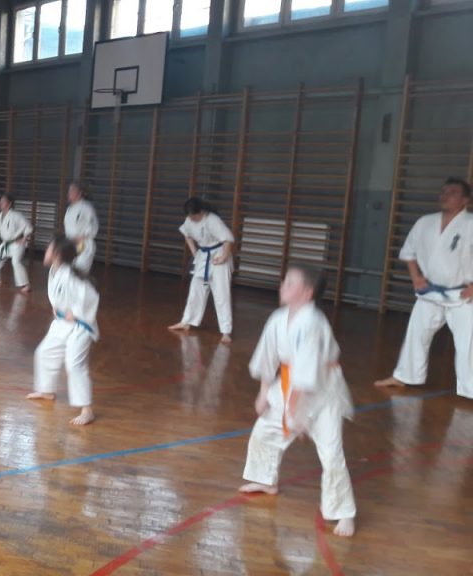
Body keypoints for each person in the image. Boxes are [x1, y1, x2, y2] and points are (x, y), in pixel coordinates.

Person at [239, 265, 356, 537]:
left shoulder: (313, 322)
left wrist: (296, 414)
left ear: (307, 292)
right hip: (290, 384)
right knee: (266, 429)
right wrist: (263, 393)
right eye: (284, 281)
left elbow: (306, 374)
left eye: (290, 283)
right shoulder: (278, 318)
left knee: (331, 451)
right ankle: (265, 480)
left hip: (323, 390)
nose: (283, 286)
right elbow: (268, 357)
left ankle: (344, 512)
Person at [375, 177, 473, 399]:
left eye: (452, 192)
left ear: (465, 200)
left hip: (463, 295)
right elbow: (409, 252)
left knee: (468, 342)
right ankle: (404, 376)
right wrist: (416, 277)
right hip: (430, 292)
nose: (445, 195)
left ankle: (471, 387)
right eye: (443, 191)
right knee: (416, 334)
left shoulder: (470, 224)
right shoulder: (425, 222)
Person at [26, 235, 99, 426]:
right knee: (44, 352)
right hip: (61, 323)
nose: (46, 251)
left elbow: (91, 295)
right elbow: (59, 295)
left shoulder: (71, 275)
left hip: (79, 326)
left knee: (74, 365)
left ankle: (87, 410)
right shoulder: (56, 271)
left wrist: (75, 313)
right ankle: (47, 391)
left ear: (57, 254)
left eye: (49, 248)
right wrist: (57, 307)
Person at [168, 197, 236, 344]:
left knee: (221, 293)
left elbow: (228, 239)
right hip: (203, 256)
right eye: (190, 216)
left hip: (218, 255)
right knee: (195, 290)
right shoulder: (189, 220)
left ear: (202, 211)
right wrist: (194, 252)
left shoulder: (212, 220)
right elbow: (187, 235)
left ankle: (226, 331)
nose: (192, 218)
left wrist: (224, 257)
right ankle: (187, 321)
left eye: (194, 215)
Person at [0, 193, 33, 292]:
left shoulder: (16, 215)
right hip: (6, 244)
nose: (0, 203)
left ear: (9, 204)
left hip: (17, 244)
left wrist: (25, 238)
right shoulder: (0, 216)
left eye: (3, 201)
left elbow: (28, 227)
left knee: (16, 262)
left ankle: (26, 285)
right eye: (0, 201)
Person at [63, 182, 98, 273]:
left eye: (72, 191)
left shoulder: (86, 208)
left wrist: (82, 237)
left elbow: (94, 226)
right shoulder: (70, 209)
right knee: (69, 272)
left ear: (79, 193)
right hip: (71, 245)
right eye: (69, 191)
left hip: (83, 244)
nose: (69, 193)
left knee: (79, 272)